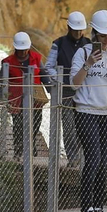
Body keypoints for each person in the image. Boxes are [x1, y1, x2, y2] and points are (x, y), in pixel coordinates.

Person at [69, 10, 107, 212]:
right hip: (86, 111)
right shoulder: (83, 53)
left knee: (103, 162)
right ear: (94, 34)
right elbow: (74, 83)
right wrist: (89, 64)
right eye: (103, 36)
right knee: (93, 158)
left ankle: (98, 206)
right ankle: (86, 208)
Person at [45, 11, 91, 167]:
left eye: (80, 30)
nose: (78, 33)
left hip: (84, 91)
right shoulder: (58, 44)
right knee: (69, 127)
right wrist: (62, 79)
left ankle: (85, 159)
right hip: (65, 92)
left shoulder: (89, 44)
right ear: (68, 28)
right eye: (75, 29)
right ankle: (73, 159)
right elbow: (49, 67)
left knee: (84, 126)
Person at [0, 32, 47, 159]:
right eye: (20, 50)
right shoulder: (7, 62)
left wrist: (52, 88)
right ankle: (19, 153)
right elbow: (2, 81)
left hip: (35, 99)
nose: (22, 52)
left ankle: (30, 146)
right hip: (17, 100)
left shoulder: (36, 58)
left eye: (24, 49)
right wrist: (2, 99)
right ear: (15, 48)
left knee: (35, 123)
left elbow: (43, 75)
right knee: (19, 125)